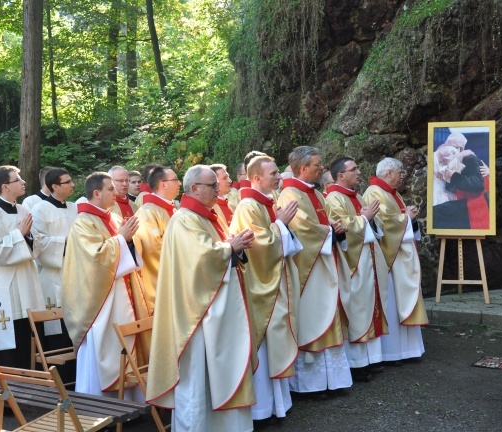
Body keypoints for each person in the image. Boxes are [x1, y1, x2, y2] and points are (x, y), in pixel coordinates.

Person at [146, 165, 256, 432]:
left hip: (213, 309)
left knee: (216, 373)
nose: (218, 189)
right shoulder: (184, 219)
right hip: (194, 316)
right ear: (194, 188)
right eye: (212, 185)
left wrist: (234, 248)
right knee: (197, 377)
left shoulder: (206, 217)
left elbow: (215, 252)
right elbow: (200, 260)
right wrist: (231, 247)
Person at [61, 172, 149, 397]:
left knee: (126, 344)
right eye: (111, 188)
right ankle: (98, 404)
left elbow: (129, 248)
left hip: (122, 294)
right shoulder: (83, 223)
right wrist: (121, 239)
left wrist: (127, 239)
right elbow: (94, 260)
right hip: (101, 302)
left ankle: (130, 402)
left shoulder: (115, 218)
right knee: (105, 348)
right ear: (96, 193)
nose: (117, 191)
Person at [231, 155, 301, 424]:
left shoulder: (264, 203)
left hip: (273, 282)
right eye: (273, 173)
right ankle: (262, 409)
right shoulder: (248, 206)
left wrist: (279, 224)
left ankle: (278, 404)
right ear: (257, 177)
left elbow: (273, 238)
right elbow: (260, 245)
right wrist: (280, 224)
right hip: (261, 288)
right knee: (263, 345)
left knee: (275, 343)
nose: (278, 177)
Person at [277, 147, 353, 396]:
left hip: (324, 264)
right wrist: (331, 231)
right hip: (308, 269)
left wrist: (337, 226)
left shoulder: (316, 194)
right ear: (302, 168)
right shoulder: (290, 193)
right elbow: (302, 229)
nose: (322, 168)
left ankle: (334, 380)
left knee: (330, 315)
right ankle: (313, 384)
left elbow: (326, 219)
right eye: (317, 165)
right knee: (314, 318)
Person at [325, 157, 389, 383]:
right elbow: (341, 227)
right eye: (354, 169)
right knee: (358, 309)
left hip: (367, 258)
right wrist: (364, 218)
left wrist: (369, 220)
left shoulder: (358, 196)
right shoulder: (334, 198)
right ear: (340, 175)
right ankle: (357, 363)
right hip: (354, 262)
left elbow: (371, 221)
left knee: (370, 306)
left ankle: (371, 358)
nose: (359, 172)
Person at [0, 165, 45, 373]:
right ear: (5, 186)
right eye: (18, 180)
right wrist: (19, 235)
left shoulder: (24, 210)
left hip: (26, 283)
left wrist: (28, 237)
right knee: (7, 340)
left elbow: (37, 244)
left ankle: (29, 392)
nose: (23, 182)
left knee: (26, 336)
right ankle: (2, 399)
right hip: (6, 286)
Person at [364, 158, 428, 363]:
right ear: (389, 172)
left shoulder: (392, 193)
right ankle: (393, 352)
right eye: (400, 172)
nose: (402, 176)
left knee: (402, 299)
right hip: (390, 258)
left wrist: (411, 218)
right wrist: (406, 218)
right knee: (392, 302)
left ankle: (408, 350)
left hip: (401, 255)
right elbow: (384, 224)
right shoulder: (374, 192)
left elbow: (395, 219)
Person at [133, 166, 180, 315]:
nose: (179, 184)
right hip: (161, 282)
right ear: (163, 184)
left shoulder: (174, 209)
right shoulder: (147, 212)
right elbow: (153, 247)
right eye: (176, 180)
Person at [31, 168, 77, 313]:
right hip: (52, 274)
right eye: (68, 182)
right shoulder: (39, 209)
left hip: (74, 270)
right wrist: (67, 241)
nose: (73, 184)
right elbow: (38, 242)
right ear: (55, 186)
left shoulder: (74, 208)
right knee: (55, 325)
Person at [432, 132, 490, 229]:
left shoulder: (469, 159)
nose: (458, 151)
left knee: (436, 212)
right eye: (455, 147)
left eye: (461, 148)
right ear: (446, 144)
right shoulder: (439, 157)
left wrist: (490, 172)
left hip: (473, 205)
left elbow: (478, 184)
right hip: (459, 202)